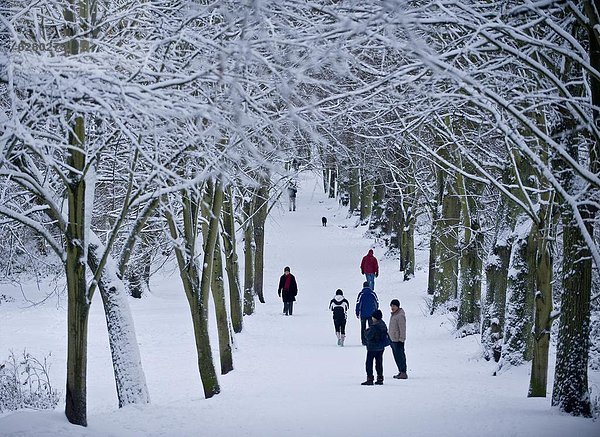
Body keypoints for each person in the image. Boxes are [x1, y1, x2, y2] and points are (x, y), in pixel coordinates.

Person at [361, 309, 390, 386]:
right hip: (381, 347)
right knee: (379, 363)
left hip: (372, 347)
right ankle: (380, 378)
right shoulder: (383, 324)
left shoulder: (374, 327)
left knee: (369, 363)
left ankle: (370, 378)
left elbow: (368, 336)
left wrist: (366, 331)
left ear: (375, 317)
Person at [389, 299, 408, 379]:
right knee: (396, 356)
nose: (392, 307)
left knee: (400, 356)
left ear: (397, 306)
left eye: (394, 306)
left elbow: (402, 328)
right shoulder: (394, 314)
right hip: (393, 339)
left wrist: (402, 339)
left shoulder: (400, 316)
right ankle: (400, 371)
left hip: (398, 340)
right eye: (391, 306)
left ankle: (403, 372)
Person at [355, 281, 379, 346]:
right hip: (372, 313)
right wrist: (376, 311)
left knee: (363, 327)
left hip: (363, 314)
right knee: (371, 327)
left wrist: (357, 312)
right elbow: (376, 302)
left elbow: (358, 303)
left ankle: (364, 341)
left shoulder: (361, 294)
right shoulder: (373, 293)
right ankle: (371, 340)